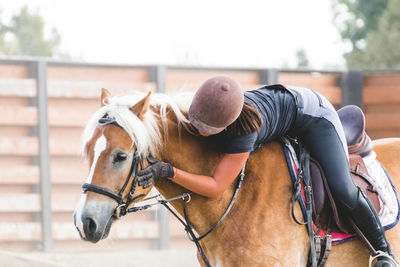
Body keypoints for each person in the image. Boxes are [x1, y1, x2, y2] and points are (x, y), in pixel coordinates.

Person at [137, 76, 396, 266]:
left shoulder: (244, 132)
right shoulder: (210, 107)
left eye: (206, 128)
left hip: (314, 117)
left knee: (343, 188)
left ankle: (383, 253)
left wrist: (171, 172)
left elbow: (217, 186)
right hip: (283, 107)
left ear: (226, 124)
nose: (199, 131)